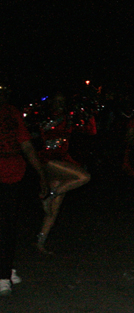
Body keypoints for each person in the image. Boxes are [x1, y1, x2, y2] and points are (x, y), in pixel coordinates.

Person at [0, 81, 49, 295]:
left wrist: (41, 175)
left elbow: (26, 145)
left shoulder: (12, 113)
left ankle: (5, 271)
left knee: (7, 225)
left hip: (13, 174)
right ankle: (4, 272)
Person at [35, 93, 94, 254]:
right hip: (48, 160)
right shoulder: (46, 117)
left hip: (64, 160)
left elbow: (91, 131)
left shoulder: (70, 118)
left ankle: (40, 242)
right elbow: (44, 131)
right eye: (57, 101)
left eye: (62, 101)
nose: (60, 104)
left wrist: (88, 116)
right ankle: (50, 195)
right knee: (84, 176)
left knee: (54, 210)